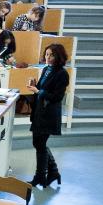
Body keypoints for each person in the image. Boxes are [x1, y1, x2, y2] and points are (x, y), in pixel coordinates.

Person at [29, 44, 69, 188]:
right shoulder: (46, 69)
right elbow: (41, 89)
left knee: (39, 144)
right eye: (46, 54)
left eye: (51, 55)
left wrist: (39, 92)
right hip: (40, 112)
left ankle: (40, 176)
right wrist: (36, 87)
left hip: (49, 114)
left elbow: (57, 97)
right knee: (39, 144)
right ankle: (53, 171)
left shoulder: (62, 74)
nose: (48, 58)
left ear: (58, 57)